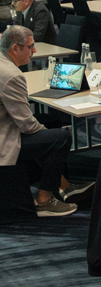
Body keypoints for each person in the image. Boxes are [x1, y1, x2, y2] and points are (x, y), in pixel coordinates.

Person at [0, 26, 76, 216]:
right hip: (4, 138)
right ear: (15, 48)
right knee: (61, 137)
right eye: (30, 46)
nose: (34, 50)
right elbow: (27, 126)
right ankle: (44, 200)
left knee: (48, 123)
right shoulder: (11, 75)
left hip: (5, 124)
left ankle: (61, 183)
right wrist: (47, 137)